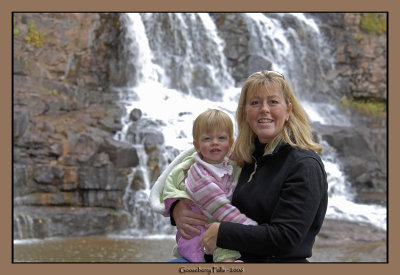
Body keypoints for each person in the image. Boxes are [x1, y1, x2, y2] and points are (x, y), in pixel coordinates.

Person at [150, 70, 328, 263]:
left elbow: (287, 238)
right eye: (255, 102)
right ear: (245, 112)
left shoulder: (304, 165)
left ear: (288, 111)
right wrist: (178, 207)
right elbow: (183, 170)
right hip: (224, 258)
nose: (264, 109)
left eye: (273, 102)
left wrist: (223, 232)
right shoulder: (241, 157)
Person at [161, 109, 257, 262]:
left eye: (221, 138)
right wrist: (250, 228)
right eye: (207, 139)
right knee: (222, 255)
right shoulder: (198, 174)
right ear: (197, 145)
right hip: (199, 235)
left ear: (230, 143)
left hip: (219, 229)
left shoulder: (230, 166)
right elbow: (218, 207)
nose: (215, 142)